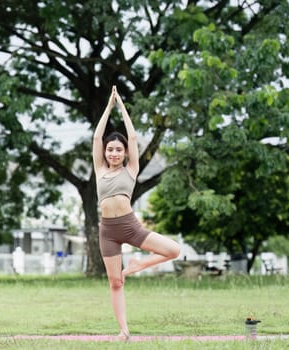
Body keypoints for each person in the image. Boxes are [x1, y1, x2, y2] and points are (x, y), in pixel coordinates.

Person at [92, 86, 181, 341]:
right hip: (108, 231)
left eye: (118, 150)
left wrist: (121, 107)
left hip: (131, 227)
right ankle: (124, 330)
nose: (114, 153)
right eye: (111, 150)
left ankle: (137, 265)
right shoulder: (100, 169)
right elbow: (97, 139)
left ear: (124, 153)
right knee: (115, 283)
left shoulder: (131, 169)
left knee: (173, 250)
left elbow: (132, 138)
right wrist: (108, 109)